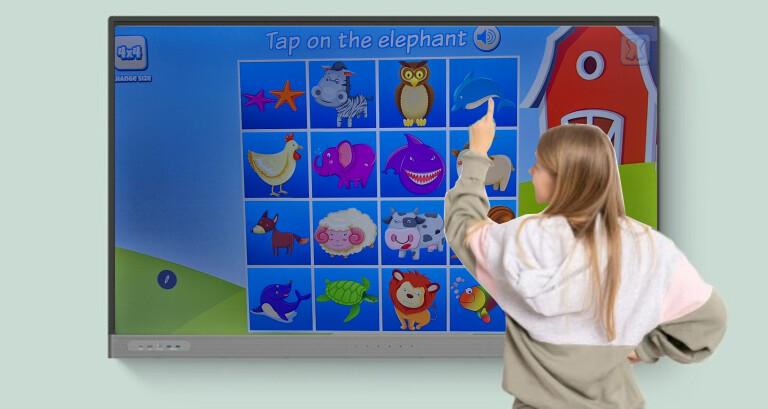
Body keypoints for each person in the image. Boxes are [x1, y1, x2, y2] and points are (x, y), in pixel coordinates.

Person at [444, 99, 727, 409]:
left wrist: (478, 152)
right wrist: (642, 349)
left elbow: (462, 224)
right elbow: (708, 321)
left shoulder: (520, 240)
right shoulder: (647, 247)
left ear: (563, 178)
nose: (531, 171)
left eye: (539, 165)